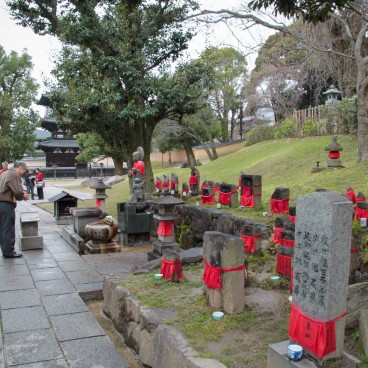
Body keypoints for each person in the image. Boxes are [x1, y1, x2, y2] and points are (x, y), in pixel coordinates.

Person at [0, 161, 29, 258]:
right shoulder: (14, 175)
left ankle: (5, 250)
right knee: (8, 229)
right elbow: (18, 192)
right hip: (6, 204)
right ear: (20, 168)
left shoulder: (4, 173)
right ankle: (9, 252)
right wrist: (22, 196)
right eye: (24, 171)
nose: (23, 174)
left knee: (2, 230)